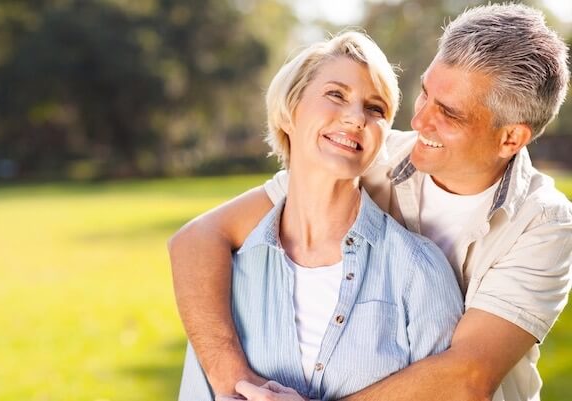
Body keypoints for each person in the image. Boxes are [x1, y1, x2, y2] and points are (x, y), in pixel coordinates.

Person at [169, 4, 572, 401]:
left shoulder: (544, 224)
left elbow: (467, 377)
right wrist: (232, 381)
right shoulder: (372, 155)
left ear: (510, 139)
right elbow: (200, 237)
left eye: (447, 113)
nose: (417, 123)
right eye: (425, 95)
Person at [177, 31, 463, 401]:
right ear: (289, 111)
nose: (356, 117)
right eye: (336, 95)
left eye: (376, 109)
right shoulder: (222, 274)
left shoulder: (419, 271)